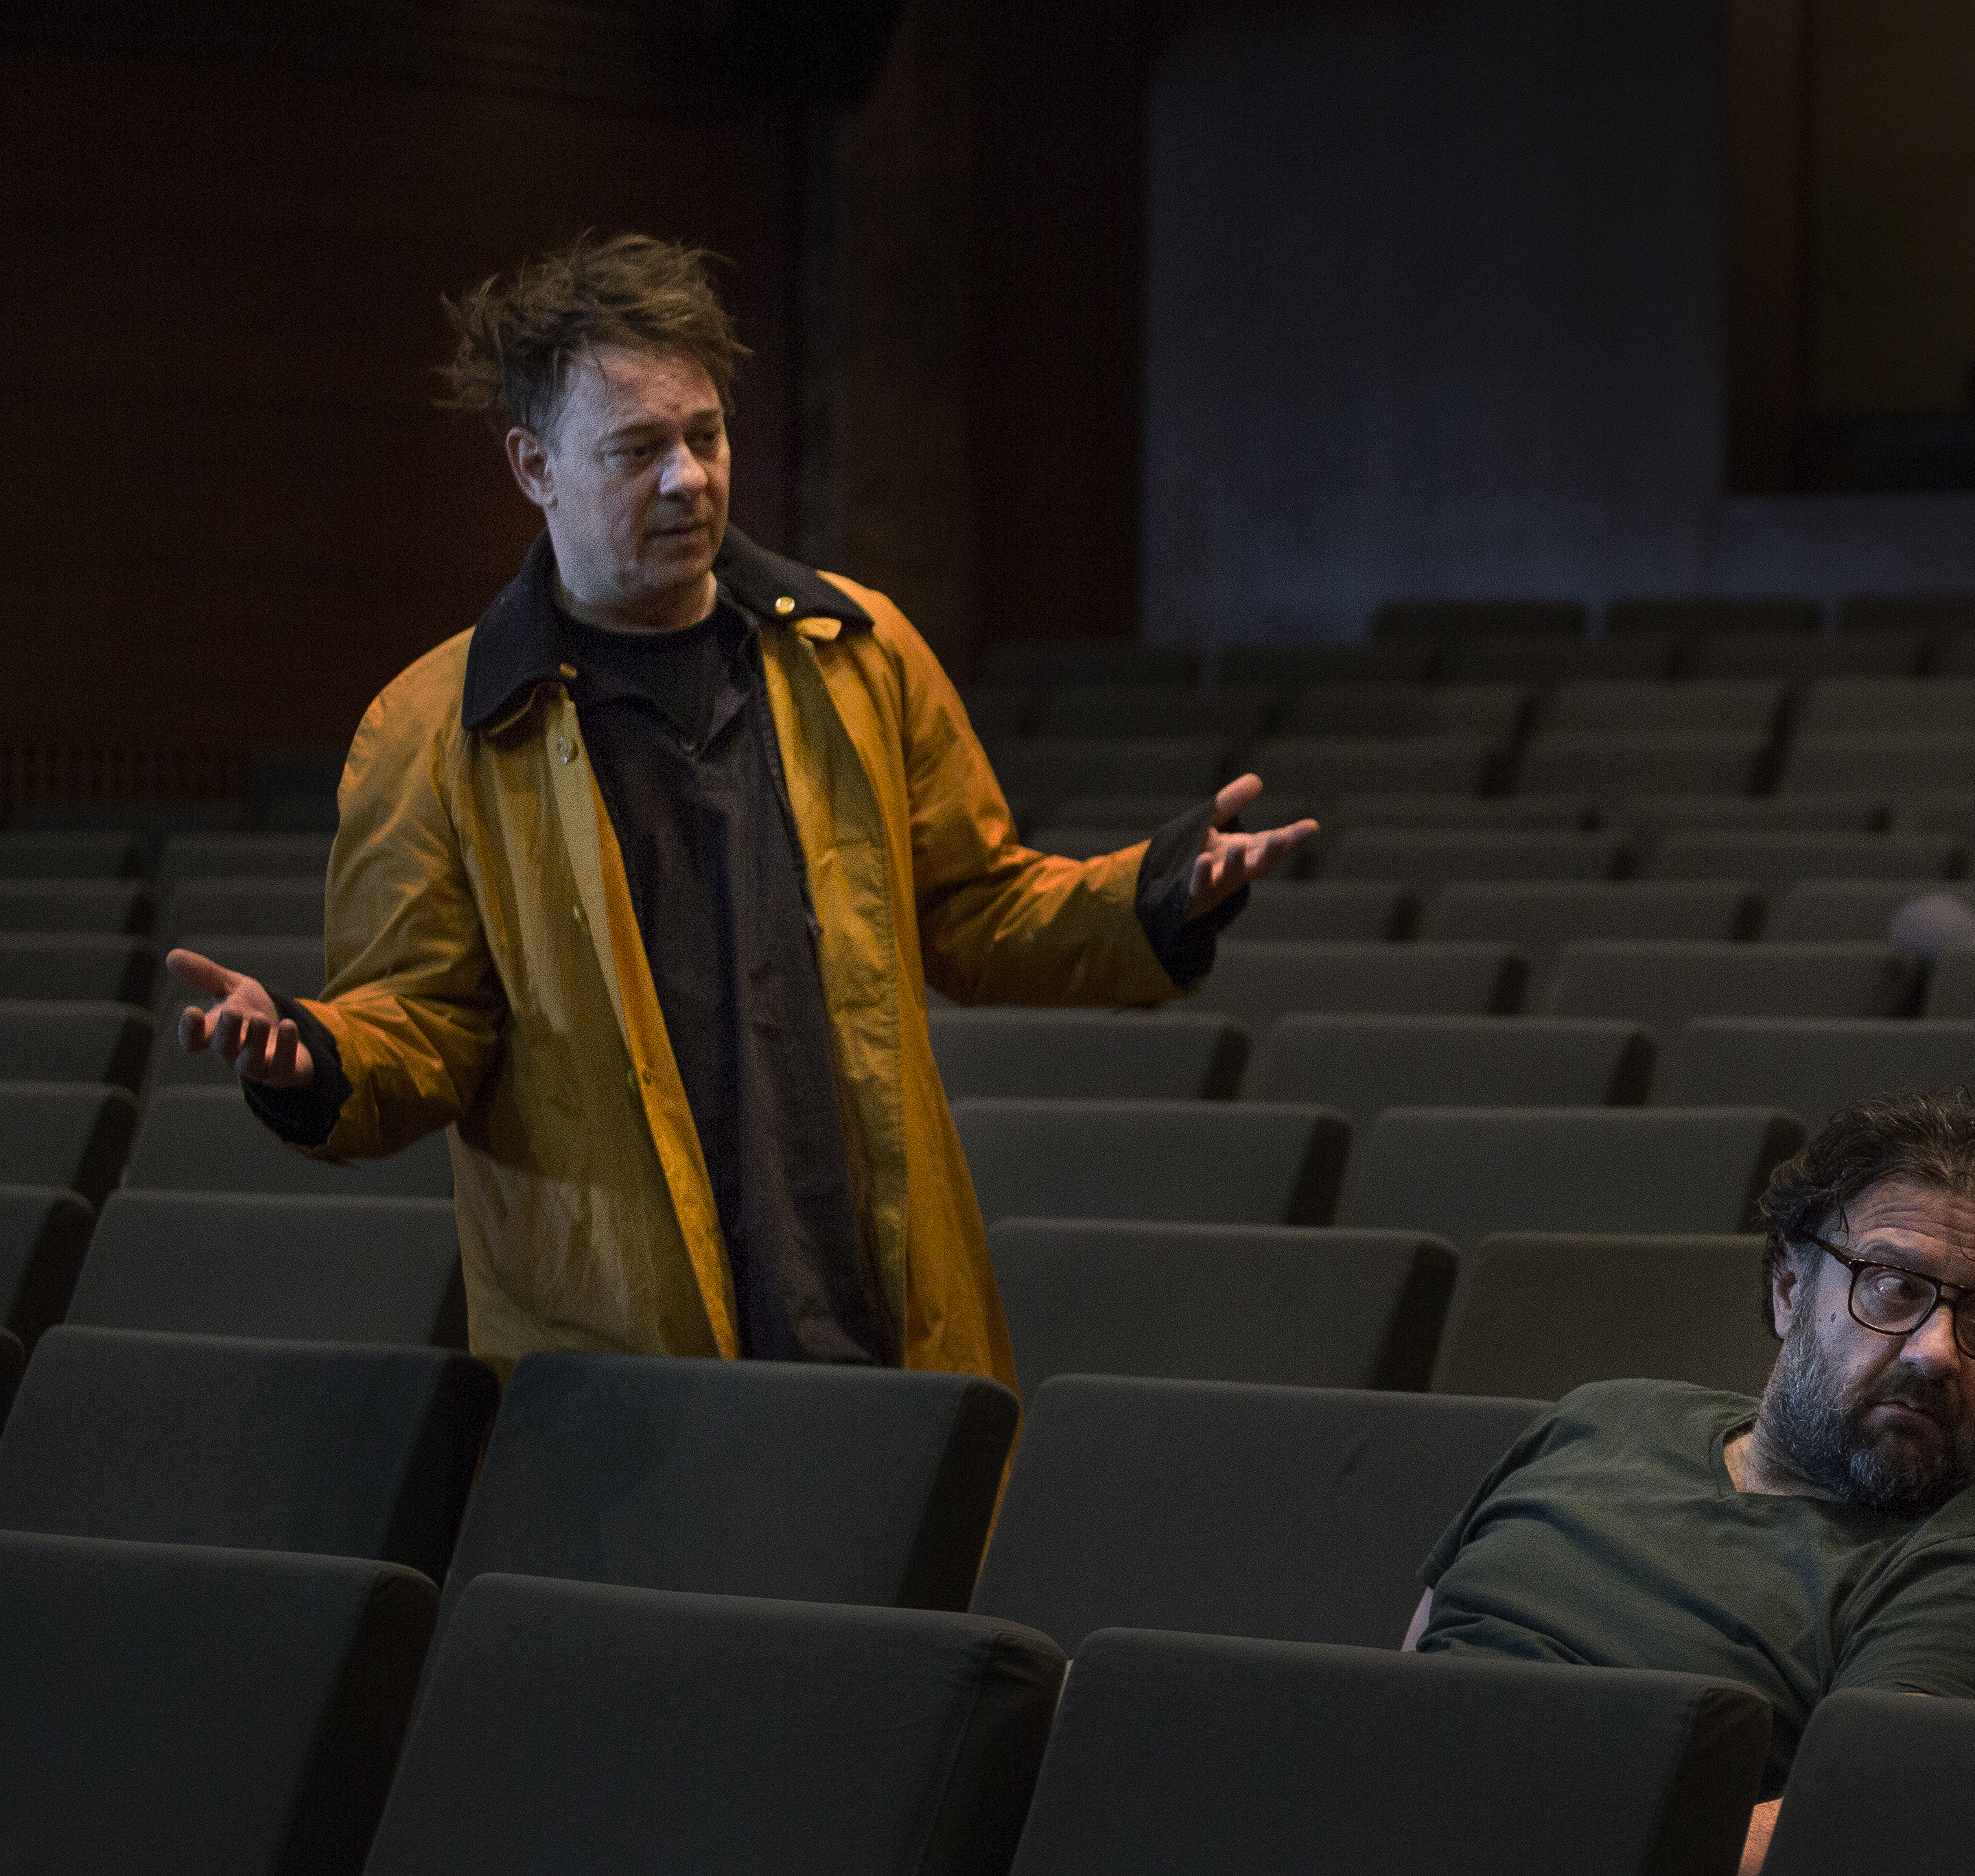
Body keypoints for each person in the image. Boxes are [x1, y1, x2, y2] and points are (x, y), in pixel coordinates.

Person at [163, 232, 1313, 1379]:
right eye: (637, 450)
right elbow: (426, 1022)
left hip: (868, 1312)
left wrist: (1150, 897)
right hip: (624, 1364)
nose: (690, 479)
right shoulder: (429, 729)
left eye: (706, 436)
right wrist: (312, 1053)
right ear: (533, 466)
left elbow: (976, 906)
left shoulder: (859, 652)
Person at [1409, 1090, 1975, 1864]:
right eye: (1894, 1285)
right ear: (1790, 1289)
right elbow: (1411, 1659)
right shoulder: (1600, 1416)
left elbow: (1841, 1834)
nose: (1936, 1351)